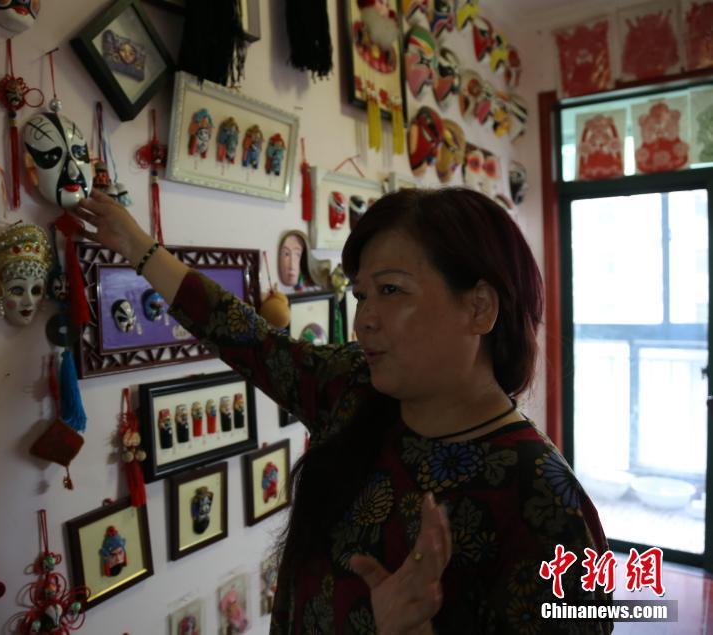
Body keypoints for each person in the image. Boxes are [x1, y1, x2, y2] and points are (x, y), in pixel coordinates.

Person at [74, 187, 612, 634]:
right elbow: (248, 339)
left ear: (479, 307)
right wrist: (135, 243)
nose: (365, 320)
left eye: (391, 290)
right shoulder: (353, 388)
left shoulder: (540, 494)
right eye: (361, 295)